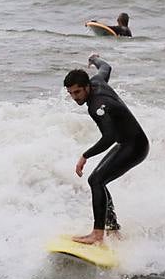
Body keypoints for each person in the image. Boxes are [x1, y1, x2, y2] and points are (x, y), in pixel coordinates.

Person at [63, 55, 149, 246]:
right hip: (128, 143)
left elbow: (108, 137)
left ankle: (97, 234)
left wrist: (85, 156)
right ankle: (112, 228)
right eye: (71, 93)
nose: (75, 97)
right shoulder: (97, 81)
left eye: (77, 92)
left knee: (96, 180)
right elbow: (106, 67)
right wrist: (94, 59)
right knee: (98, 180)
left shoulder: (96, 106)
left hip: (135, 147)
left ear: (86, 87)